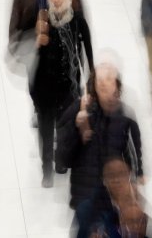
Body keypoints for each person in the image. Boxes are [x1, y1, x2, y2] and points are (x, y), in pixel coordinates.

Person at [29, 0, 95, 187]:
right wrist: (36, 41)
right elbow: (29, 56)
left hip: (69, 86)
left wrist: (90, 86)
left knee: (66, 128)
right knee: (46, 130)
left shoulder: (77, 22)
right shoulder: (41, 21)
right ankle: (46, 168)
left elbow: (87, 55)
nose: (56, 0)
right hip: (45, 87)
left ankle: (60, 159)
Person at [56, 63, 143, 210]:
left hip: (115, 198)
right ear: (94, 84)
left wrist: (136, 180)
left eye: (109, 78)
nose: (103, 83)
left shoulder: (126, 115)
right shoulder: (79, 109)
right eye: (100, 79)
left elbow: (134, 155)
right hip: (85, 199)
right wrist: (76, 127)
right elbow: (62, 159)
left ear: (117, 85)